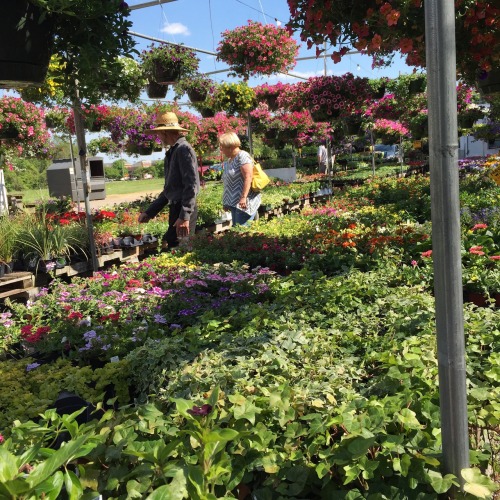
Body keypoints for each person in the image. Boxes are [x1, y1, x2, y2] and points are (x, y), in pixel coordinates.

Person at [138, 112, 200, 250]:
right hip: (176, 208)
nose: (158, 137)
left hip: (183, 209)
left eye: (159, 134)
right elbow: (169, 189)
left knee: (182, 249)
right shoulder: (173, 151)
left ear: (165, 132)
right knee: (174, 245)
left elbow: (191, 186)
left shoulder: (184, 149)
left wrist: (185, 216)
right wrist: (150, 212)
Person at [219, 132, 260, 226]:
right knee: (237, 231)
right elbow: (228, 183)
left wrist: (243, 197)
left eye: (222, 146)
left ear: (230, 146)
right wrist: (226, 202)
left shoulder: (242, 156)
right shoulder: (229, 160)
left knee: (241, 232)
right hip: (234, 203)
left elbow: (248, 177)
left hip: (244, 203)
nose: (221, 149)